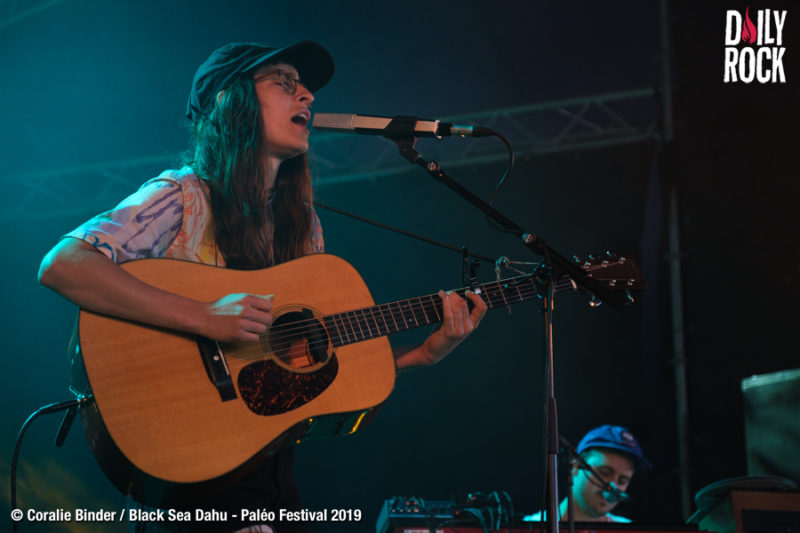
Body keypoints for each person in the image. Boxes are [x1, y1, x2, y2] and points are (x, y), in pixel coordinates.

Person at [38, 40, 487, 533]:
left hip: (267, 482)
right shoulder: (182, 196)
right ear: (230, 101)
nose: (308, 96)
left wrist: (422, 355)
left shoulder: (305, 226)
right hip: (190, 484)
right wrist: (205, 318)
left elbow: (311, 366)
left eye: (305, 87)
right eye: (284, 82)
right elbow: (64, 264)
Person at [524, 424, 652, 524]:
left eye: (623, 481)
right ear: (575, 466)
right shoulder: (530, 527)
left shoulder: (628, 529)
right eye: (604, 472)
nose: (613, 486)